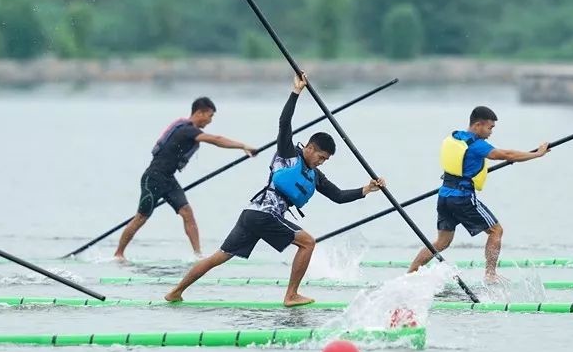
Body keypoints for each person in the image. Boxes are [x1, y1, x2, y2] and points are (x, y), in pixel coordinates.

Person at [164, 74, 383, 307]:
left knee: (219, 257)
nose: (321, 162)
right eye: (320, 157)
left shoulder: (315, 175)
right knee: (308, 243)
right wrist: (296, 92)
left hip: (252, 214)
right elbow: (284, 123)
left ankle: (175, 291)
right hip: (264, 214)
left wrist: (366, 189)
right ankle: (291, 295)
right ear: (309, 148)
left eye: (325, 160)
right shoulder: (289, 154)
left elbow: (338, 196)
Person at [407, 106, 548, 282]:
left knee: (441, 242)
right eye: (490, 128)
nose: (491, 133)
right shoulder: (477, 145)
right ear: (478, 125)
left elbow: (465, 163)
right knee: (496, 231)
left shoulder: (455, 137)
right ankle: (490, 275)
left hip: (444, 196)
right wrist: (537, 154)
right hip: (463, 198)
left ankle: (410, 273)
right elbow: (506, 154)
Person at [113, 96, 257, 261]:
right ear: (200, 112)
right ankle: (118, 254)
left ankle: (198, 255)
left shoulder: (189, 130)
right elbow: (215, 140)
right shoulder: (186, 130)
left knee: (187, 213)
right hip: (153, 178)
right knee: (141, 217)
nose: (210, 121)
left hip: (168, 179)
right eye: (210, 116)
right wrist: (243, 146)